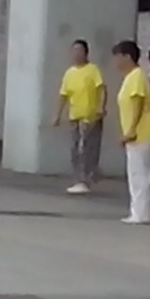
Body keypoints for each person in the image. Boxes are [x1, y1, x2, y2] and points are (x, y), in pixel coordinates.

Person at [112, 41, 150, 226]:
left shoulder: (136, 76)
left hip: (141, 132)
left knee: (138, 174)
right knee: (139, 174)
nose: (116, 61)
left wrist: (131, 130)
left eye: (118, 57)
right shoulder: (130, 77)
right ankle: (142, 212)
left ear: (127, 57)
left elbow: (138, 104)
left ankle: (139, 213)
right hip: (138, 132)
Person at [53, 39, 107, 195]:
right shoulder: (69, 73)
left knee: (88, 149)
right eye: (74, 50)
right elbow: (63, 95)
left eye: (79, 50)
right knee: (75, 149)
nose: (76, 54)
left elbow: (102, 89)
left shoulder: (93, 70)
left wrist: (101, 107)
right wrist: (57, 115)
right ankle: (80, 178)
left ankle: (86, 178)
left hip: (91, 117)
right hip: (75, 116)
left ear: (86, 53)